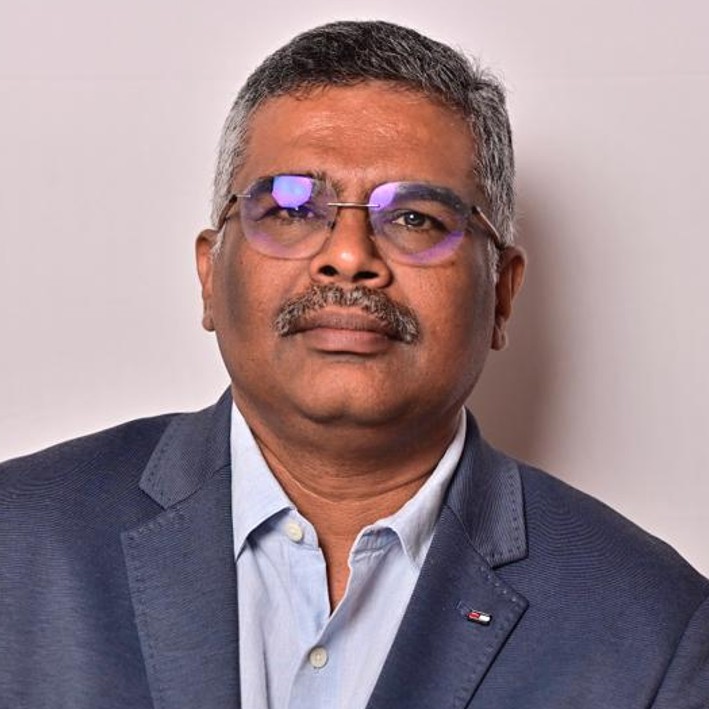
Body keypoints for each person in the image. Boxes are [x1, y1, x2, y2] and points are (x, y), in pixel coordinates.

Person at [0, 19, 707, 709]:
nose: (348, 256)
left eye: (415, 219)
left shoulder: (653, 630)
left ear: (501, 293)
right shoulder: (17, 540)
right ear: (210, 276)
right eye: (290, 209)